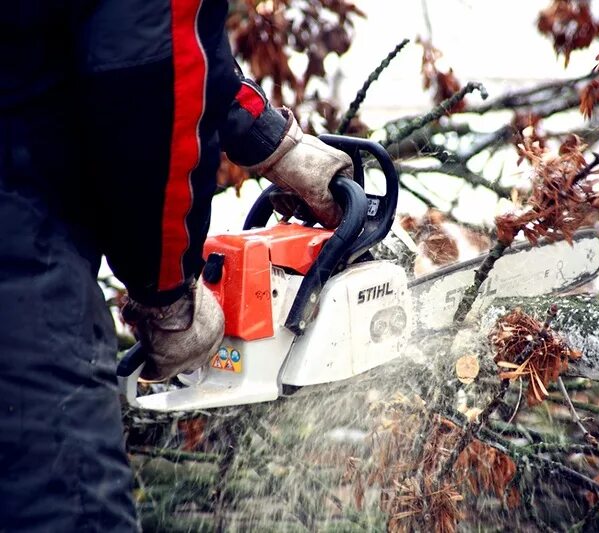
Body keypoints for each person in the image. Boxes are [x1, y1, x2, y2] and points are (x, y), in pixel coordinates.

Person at [0, 1, 352, 530]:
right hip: (22, 261)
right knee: (68, 506)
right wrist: (167, 293)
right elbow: (148, 76)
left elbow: (158, 39)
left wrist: (267, 140)